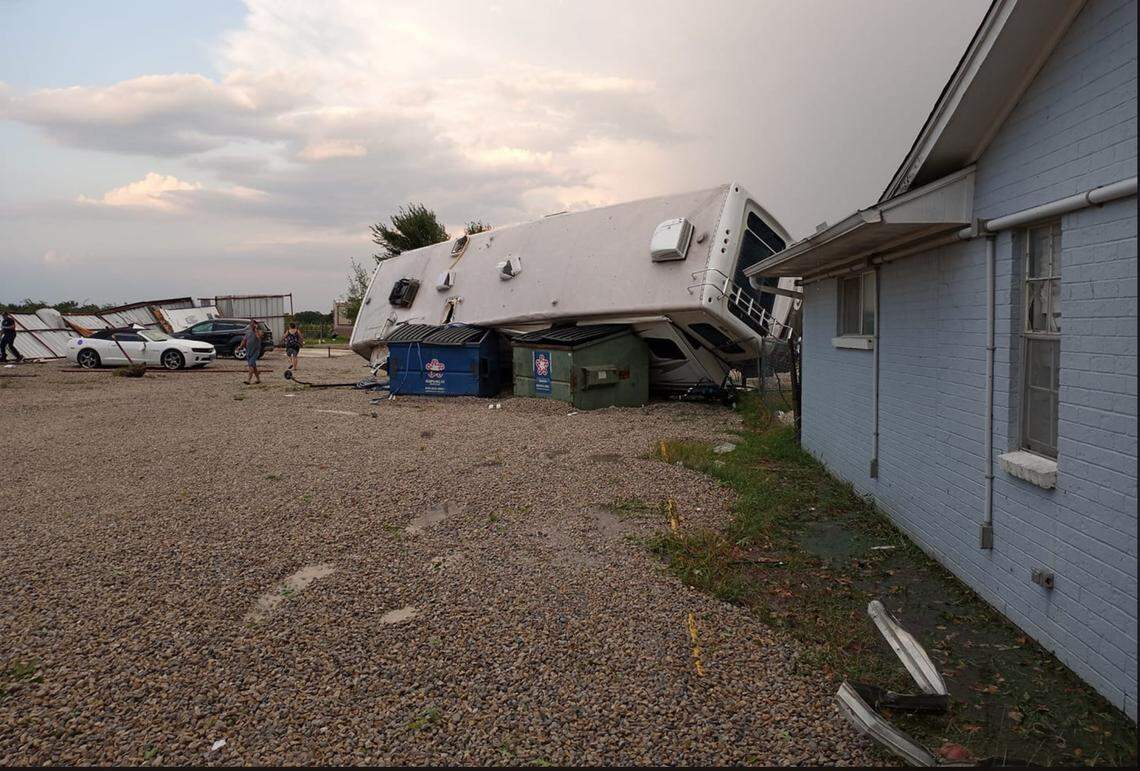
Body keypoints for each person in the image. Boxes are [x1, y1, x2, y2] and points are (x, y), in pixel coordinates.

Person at [240, 319, 264, 385]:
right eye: (251, 324)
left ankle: (248, 380)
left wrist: (256, 330)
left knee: (251, 365)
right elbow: (244, 340)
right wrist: (240, 346)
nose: (252, 325)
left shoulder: (259, 331)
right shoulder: (248, 332)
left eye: (253, 324)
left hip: (255, 351)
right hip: (248, 351)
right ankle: (258, 380)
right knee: (254, 366)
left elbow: (259, 337)